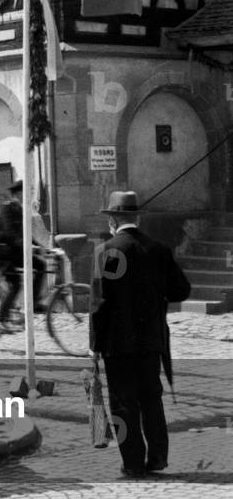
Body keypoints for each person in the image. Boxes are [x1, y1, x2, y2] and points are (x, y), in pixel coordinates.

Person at [90, 190, 191, 479]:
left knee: (124, 403)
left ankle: (133, 462)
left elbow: (98, 305)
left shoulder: (105, 252)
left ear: (113, 220)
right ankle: (158, 457)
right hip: (150, 341)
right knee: (151, 398)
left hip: (116, 344)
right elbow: (181, 290)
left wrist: (94, 345)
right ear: (136, 218)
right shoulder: (159, 250)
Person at [0, 179, 46, 329]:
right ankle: (0, 320)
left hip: (12, 252)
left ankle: (33, 303)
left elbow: (25, 233)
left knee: (41, 265)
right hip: (2, 253)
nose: (29, 195)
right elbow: (10, 233)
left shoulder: (19, 209)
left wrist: (40, 247)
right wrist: (28, 247)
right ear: (19, 193)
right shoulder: (7, 209)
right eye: (27, 192)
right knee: (15, 285)